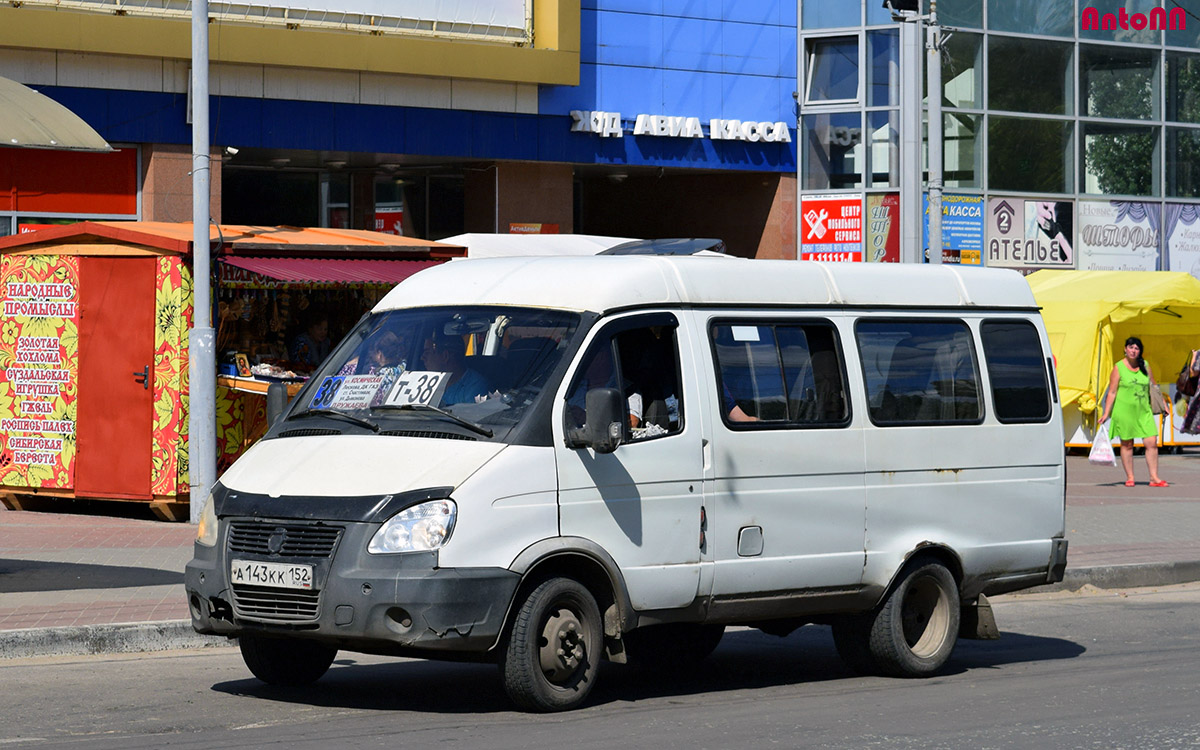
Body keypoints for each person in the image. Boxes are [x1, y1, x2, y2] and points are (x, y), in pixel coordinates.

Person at [1098, 336, 1168, 487]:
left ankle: (1154, 477)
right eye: (1130, 347)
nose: (1133, 351)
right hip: (1124, 411)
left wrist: (1163, 404)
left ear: (1140, 351)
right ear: (1125, 349)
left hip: (1144, 411)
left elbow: (1154, 386)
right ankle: (1130, 476)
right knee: (1127, 444)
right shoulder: (1118, 367)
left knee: (1151, 442)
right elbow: (1112, 392)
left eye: (1136, 348)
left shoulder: (1145, 365)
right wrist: (1106, 413)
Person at [421, 331, 489, 406]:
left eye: (427, 352)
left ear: (445, 356)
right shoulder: (426, 385)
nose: (422, 358)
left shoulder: (474, 387)